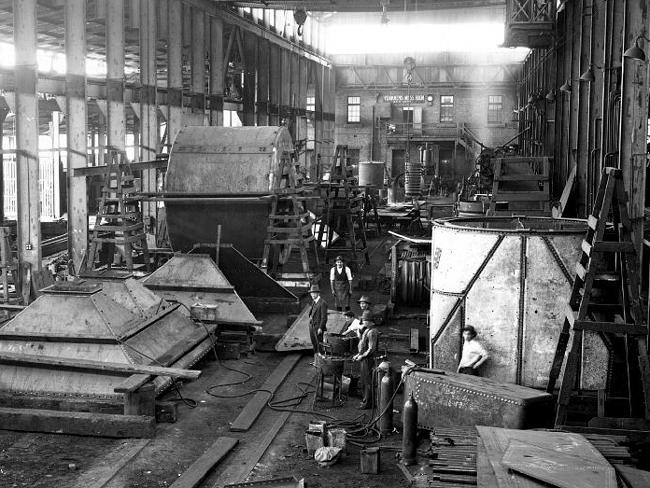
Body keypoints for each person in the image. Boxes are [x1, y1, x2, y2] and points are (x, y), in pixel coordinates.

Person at [353, 316, 379, 409]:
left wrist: (362, 356)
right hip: (365, 359)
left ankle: (368, 403)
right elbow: (363, 344)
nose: (363, 322)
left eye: (365, 321)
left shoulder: (372, 332)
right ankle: (365, 401)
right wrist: (358, 354)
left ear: (371, 322)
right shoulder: (367, 330)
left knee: (368, 382)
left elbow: (371, 349)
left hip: (369, 360)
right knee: (364, 380)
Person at [308, 284, 328, 355]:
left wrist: (320, 328)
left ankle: (321, 361)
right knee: (314, 343)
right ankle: (316, 360)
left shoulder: (322, 303)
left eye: (314, 293)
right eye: (311, 293)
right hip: (312, 326)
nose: (313, 295)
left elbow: (324, 318)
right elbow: (312, 313)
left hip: (318, 327)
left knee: (319, 344)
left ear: (318, 293)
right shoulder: (314, 301)